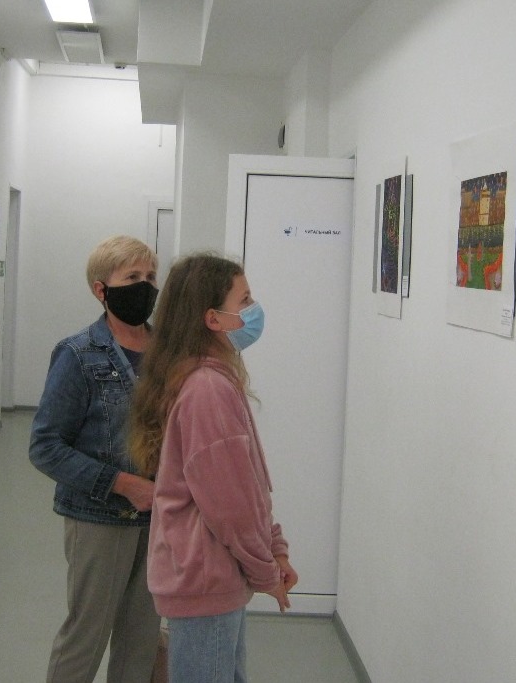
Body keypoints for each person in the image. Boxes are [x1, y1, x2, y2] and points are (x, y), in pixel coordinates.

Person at [130, 253, 298, 683]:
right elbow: (232, 507)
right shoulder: (207, 390)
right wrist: (266, 570)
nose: (254, 310)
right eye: (245, 301)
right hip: (206, 582)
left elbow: (248, 486)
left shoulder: (210, 378)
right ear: (212, 319)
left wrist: (274, 546)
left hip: (214, 579)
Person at [30, 235, 162, 683]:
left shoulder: (169, 351)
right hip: (100, 517)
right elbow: (45, 446)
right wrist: (123, 484)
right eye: (132, 277)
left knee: (141, 634)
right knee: (86, 633)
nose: (145, 286)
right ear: (101, 289)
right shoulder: (78, 354)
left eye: (150, 276)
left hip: (161, 517)